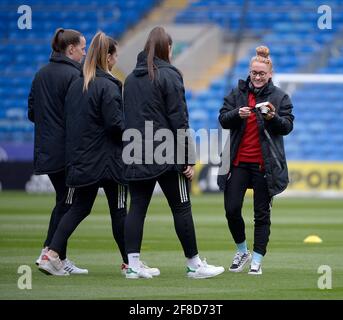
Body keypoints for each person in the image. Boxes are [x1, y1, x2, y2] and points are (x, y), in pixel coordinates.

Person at [38, 31, 159, 277]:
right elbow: (114, 125)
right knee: (118, 209)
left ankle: (50, 254)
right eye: (114, 56)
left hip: (82, 157)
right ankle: (130, 264)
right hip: (109, 161)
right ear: (108, 57)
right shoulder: (109, 85)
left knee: (79, 207)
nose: (116, 60)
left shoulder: (77, 83)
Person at [123, 26, 225, 279]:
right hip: (166, 152)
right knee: (181, 207)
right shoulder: (170, 75)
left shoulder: (130, 79)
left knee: (136, 207)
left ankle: (133, 265)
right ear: (166, 49)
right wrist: (187, 158)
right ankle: (194, 264)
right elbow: (179, 119)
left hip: (136, 149)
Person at [217, 46, 294, 275]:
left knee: (261, 214)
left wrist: (272, 117)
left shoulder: (280, 97)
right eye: (254, 73)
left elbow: (287, 126)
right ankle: (242, 251)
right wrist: (235, 114)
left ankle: (257, 260)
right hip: (238, 162)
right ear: (249, 72)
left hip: (265, 165)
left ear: (270, 74)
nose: (257, 77)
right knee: (231, 210)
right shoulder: (237, 93)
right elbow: (223, 119)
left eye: (261, 73)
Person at [28, 28, 87, 274]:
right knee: (71, 203)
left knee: (64, 201)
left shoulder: (40, 74)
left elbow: (32, 113)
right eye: (82, 48)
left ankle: (56, 256)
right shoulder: (75, 76)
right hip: (67, 152)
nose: (85, 53)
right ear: (71, 48)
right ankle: (49, 254)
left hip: (46, 149)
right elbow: (79, 117)